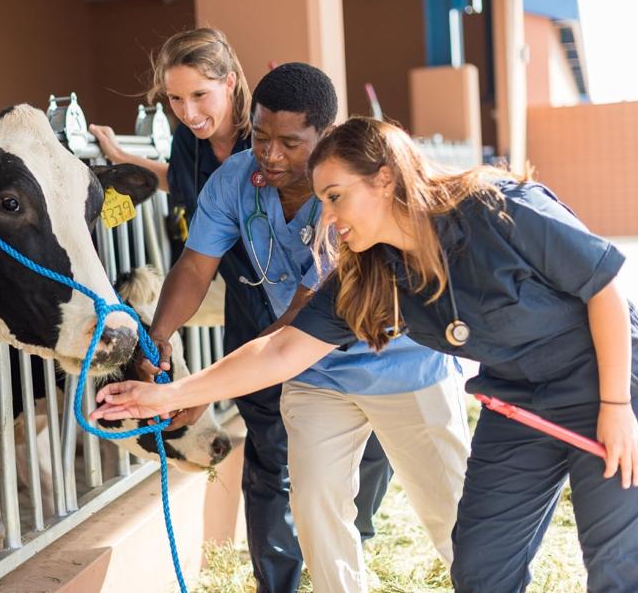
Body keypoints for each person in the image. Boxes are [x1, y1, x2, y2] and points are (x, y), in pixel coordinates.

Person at [92, 115, 638, 593]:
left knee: (620, 563)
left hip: (611, 380)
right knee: (481, 566)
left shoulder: (495, 207)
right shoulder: (374, 271)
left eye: (335, 198)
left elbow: (604, 286)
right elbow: (282, 349)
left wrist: (616, 405)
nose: (328, 218)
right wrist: (167, 393)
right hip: (518, 400)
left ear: (384, 179)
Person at [100, 65, 470, 593]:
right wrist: (156, 339)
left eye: (290, 143)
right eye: (260, 136)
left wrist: (196, 392)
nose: (270, 155)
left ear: (326, 135)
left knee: (450, 514)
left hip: (402, 366)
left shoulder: (345, 198)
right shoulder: (236, 180)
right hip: (316, 376)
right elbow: (194, 267)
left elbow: (292, 329)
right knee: (317, 515)